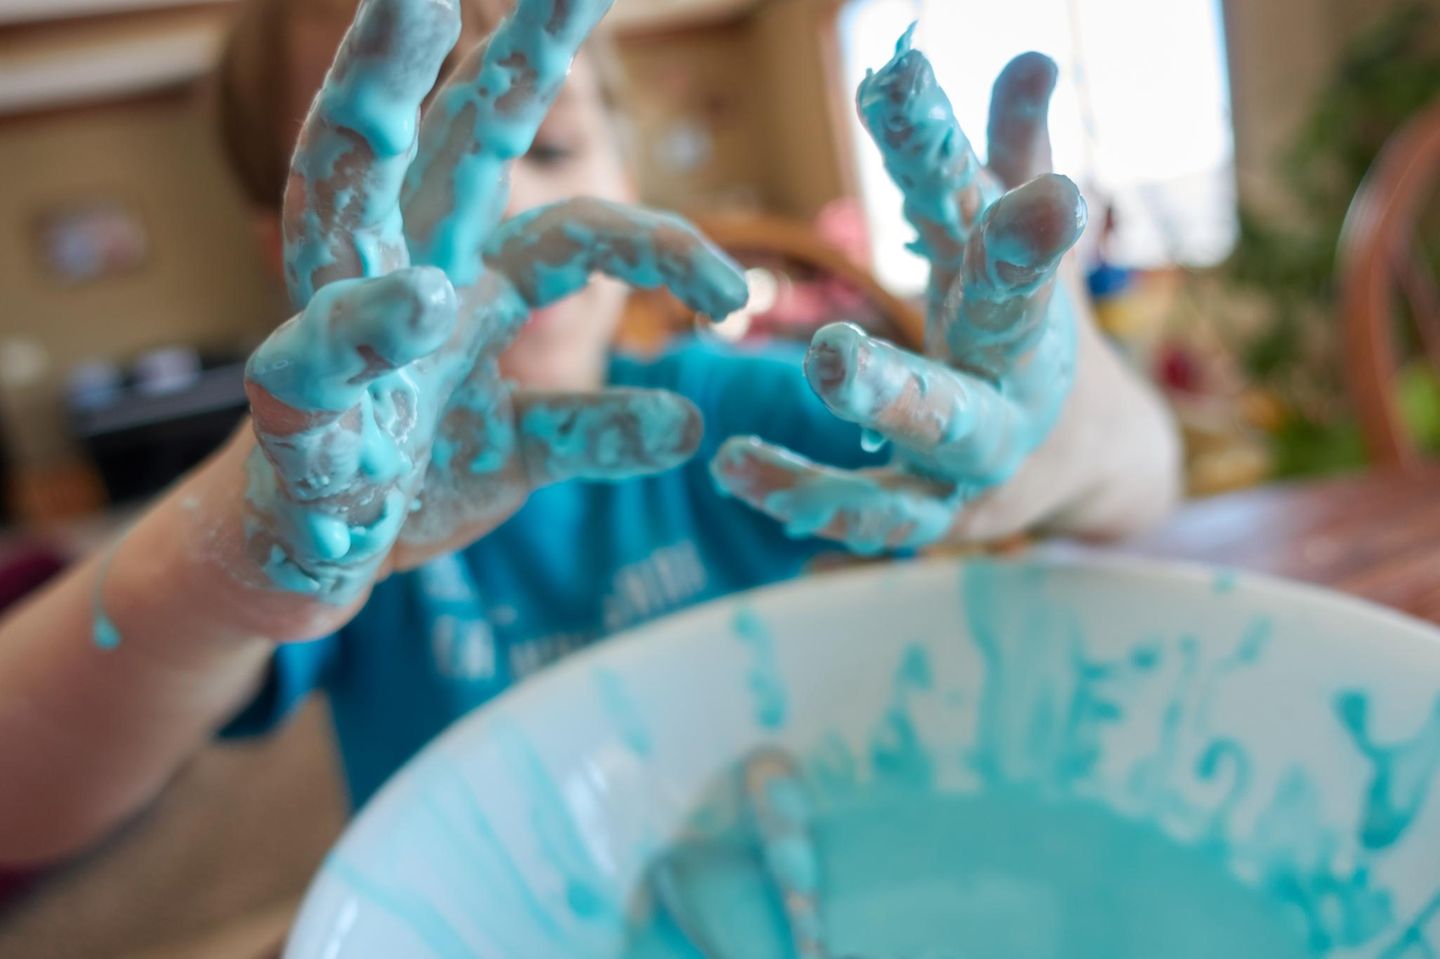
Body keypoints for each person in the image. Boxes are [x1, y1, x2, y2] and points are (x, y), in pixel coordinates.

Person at [0, 0, 1180, 866]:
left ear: (628, 165)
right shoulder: (324, 510)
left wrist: (1064, 434)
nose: (499, 203)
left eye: (549, 146)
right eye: (402, 177)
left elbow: (1138, 492)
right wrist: (225, 580)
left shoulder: (733, 408)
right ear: (290, 252)